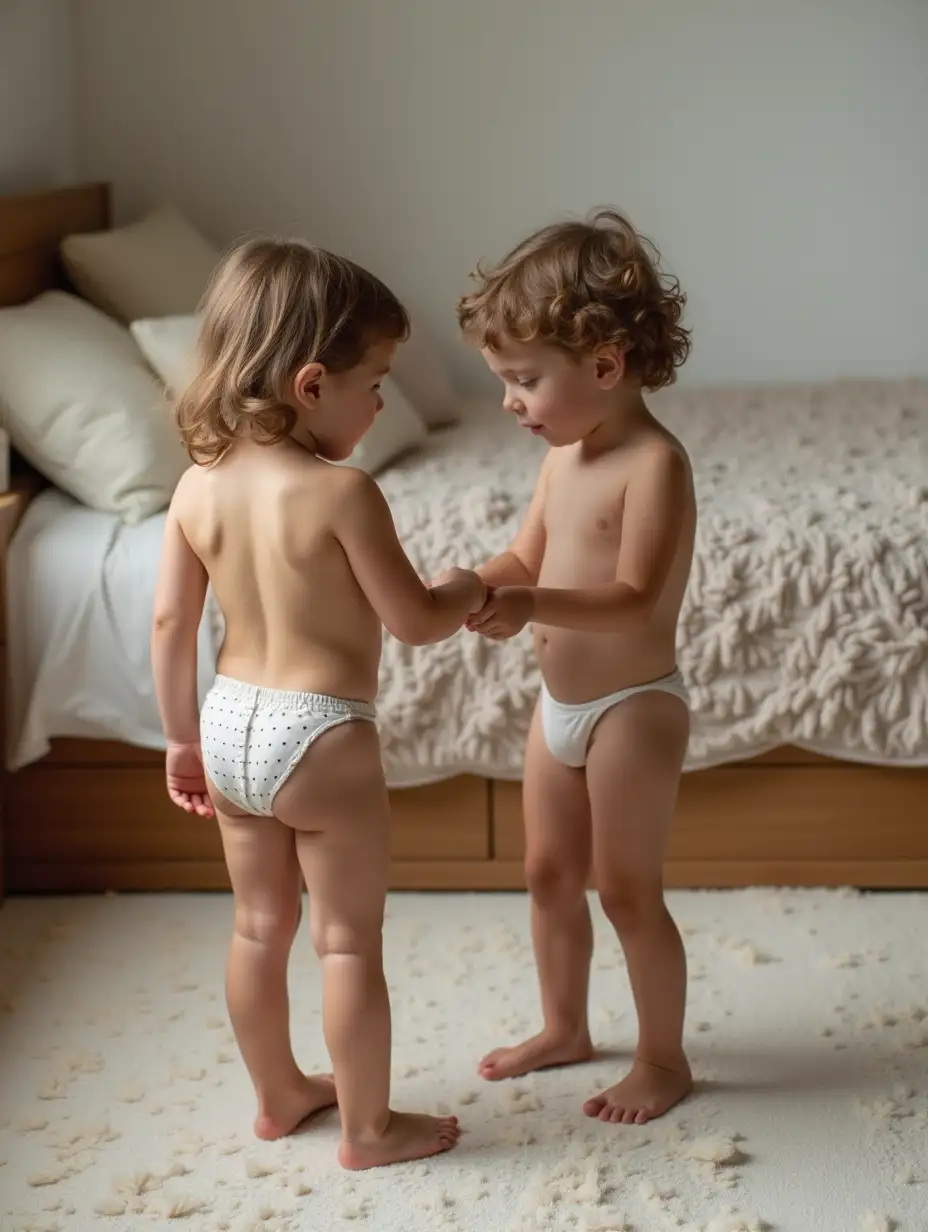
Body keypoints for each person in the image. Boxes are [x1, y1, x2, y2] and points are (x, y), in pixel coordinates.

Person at [151, 237, 484, 1168]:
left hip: (227, 721)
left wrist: (180, 740)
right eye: (374, 381)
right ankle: (370, 1131)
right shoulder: (344, 494)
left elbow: (172, 623)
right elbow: (415, 621)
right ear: (309, 384)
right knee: (347, 943)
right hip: (320, 733)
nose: (381, 401)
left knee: (258, 926)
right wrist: (462, 586)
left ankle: (278, 1095)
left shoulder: (195, 485)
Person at [457, 209, 696, 1125]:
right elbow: (525, 561)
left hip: (633, 707)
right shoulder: (566, 456)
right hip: (559, 707)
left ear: (603, 366)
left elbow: (637, 595)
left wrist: (530, 606)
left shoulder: (654, 464)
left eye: (524, 379)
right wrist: (466, 587)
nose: (512, 401)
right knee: (548, 874)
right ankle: (564, 1026)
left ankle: (663, 1059)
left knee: (628, 890)